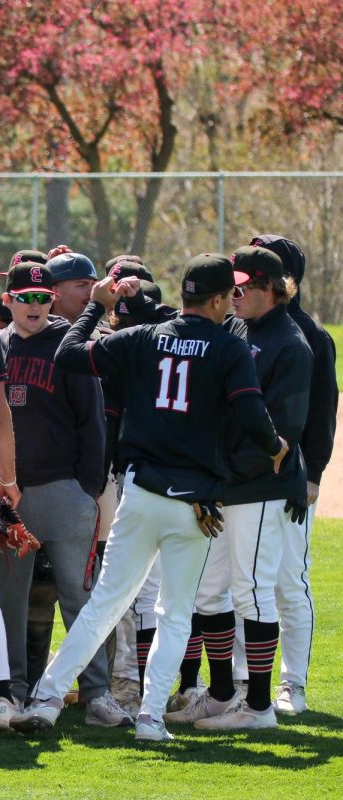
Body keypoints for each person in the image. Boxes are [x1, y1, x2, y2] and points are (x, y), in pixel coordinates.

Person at [12, 254, 288, 743]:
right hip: (196, 506)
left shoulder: (143, 338)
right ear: (223, 299)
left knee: (105, 603)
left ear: (184, 294)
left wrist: (95, 308)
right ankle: (151, 718)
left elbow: (69, 354)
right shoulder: (229, 347)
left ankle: (48, 698)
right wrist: (275, 446)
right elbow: (249, 409)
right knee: (175, 613)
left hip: (140, 492)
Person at [165, 246, 311, 731]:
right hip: (226, 484)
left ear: (272, 286)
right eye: (235, 285)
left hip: (260, 487)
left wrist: (220, 473)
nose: (237, 292)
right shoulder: (236, 329)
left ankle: (260, 706)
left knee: (253, 590)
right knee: (210, 592)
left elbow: (281, 435)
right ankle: (224, 692)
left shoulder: (291, 345)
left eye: (246, 285)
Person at [0, 263, 129, 726]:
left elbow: (94, 423)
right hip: (10, 497)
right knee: (7, 598)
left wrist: (86, 487)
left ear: (51, 300)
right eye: (24, 298)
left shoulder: (68, 345)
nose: (34, 306)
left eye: (41, 297)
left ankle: (95, 693)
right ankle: (8, 690)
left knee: (79, 597)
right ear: (7, 300)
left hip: (62, 489)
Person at [250, 235, 337, 715]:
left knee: (288, 581)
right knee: (248, 583)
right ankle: (245, 682)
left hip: (292, 478)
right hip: (247, 481)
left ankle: (293, 686)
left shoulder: (308, 335)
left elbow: (323, 412)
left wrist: (313, 475)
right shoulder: (245, 330)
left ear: (289, 281)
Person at [46, 250, 98, 323]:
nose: (91, 292)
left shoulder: (104, 332)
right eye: (82, 285)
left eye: (93, 285)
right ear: (55, 293)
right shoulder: (33, 332)